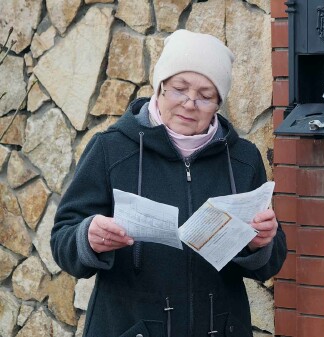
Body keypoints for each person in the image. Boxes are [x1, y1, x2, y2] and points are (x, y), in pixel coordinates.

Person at [50, 30, 287, 337]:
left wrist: (260, 243)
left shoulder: (242, 159)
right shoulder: (110, 149)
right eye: (179, 89)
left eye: (205, 95)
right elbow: (63, 239)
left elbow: (271, 260)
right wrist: (88, 237)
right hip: (130, 328)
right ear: (159, 87)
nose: (190, 104)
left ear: (218, 103)